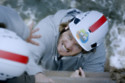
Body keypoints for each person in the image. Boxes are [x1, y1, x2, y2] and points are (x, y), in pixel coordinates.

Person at [26, 8, 109, 74]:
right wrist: (37, 74)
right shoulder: (46, 30)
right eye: (70, 37)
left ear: (84, 50)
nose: (68, 46)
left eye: (77, 45)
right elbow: (25, 59)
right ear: (67, 26)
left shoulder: (95, 52)